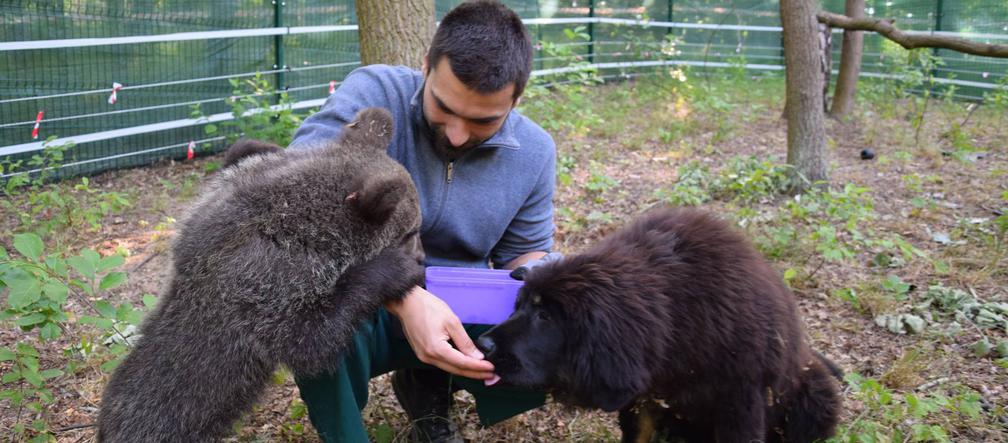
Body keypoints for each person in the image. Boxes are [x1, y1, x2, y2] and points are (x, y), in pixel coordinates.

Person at [287, 1, 557, 442]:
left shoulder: (536, 152)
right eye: (443, 107)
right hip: (365, 296)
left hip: (463, 304)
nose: (456, 134)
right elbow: (301, 198)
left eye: (482, 121)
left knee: (559, 323)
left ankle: (429, 385)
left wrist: (542, 277)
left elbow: (523, 255)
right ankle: (344, 432)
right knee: (310, 307)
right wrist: (405, 295)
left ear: (516, 99)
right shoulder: (374, 92)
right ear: (426, 66)